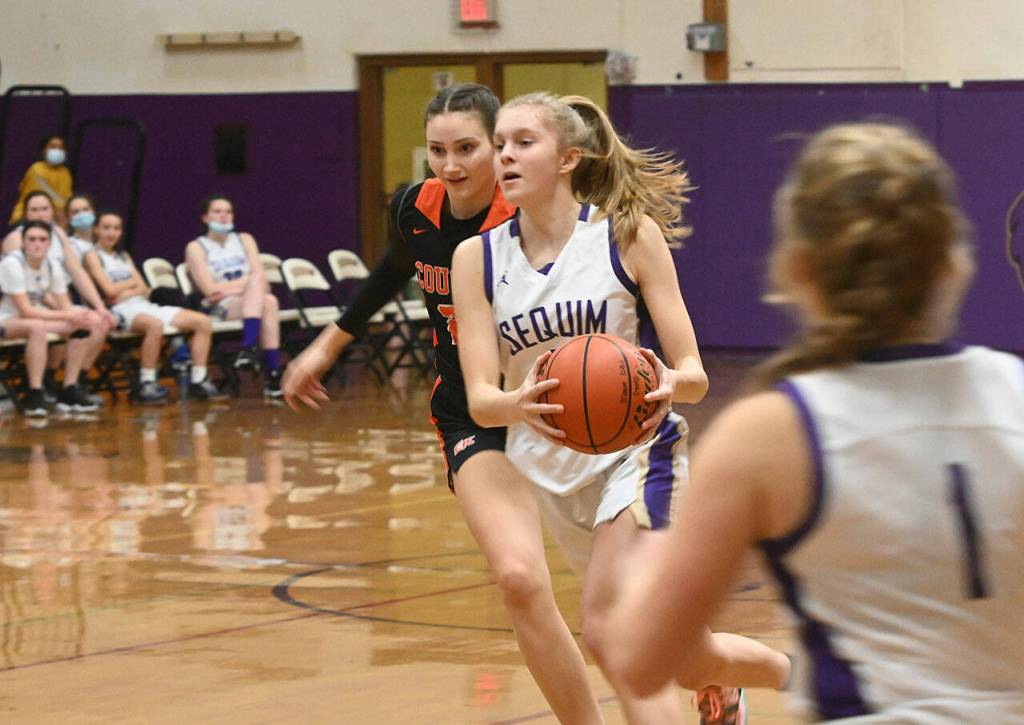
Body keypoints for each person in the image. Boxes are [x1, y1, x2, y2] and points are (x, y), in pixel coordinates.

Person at [598, 122, 1024, 722]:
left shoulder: (769, 433)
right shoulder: (1015, 393)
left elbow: (642, 662)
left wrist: (643, 569)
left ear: (796, 269)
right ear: (954, 261)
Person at [451, 92, 791, 723]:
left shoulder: (626, 235)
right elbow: (480, 398)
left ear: (569, 158)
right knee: (683, 658)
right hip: (546, 465)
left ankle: (781, 677)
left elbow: (693, 374)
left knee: (611, 636)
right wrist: (517, 404)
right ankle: (768, 672)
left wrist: (667, 380)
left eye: (524, 142)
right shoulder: (476, 257)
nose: (505, 155)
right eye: (500, 143)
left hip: (636, 454)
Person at [283, 84, 614, 724]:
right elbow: (390, 270)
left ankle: (711, 669)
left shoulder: (531, 217)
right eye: (437, 151)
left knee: (624, 611)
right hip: (475, 411)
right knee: (519, 579)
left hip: (565, 408)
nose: (451, 165)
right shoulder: (417, 208)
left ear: (499, 148)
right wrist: (328, 346)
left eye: (468, 148)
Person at [85, 210, 225, 402]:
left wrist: (126, 289)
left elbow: (143, 288)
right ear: (96, 230)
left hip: (143, 304)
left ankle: (199, 379)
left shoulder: (123, 256)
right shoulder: (92, 255)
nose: (112, 233)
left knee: (202, 322)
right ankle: (147, 383)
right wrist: (129, 285)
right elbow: (108, 291)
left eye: (116, 228)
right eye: (106, 228)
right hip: (118, 311)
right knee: (154, 325)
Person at [3, 190, 116, 405]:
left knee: (90, 321)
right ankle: (38, 386)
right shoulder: (15, 247)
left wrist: (96, 309)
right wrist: (64, 314)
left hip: (41, 309)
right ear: (25, 214)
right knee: (41, 325)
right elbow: (28, 303)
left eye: (44, 208)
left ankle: (72, 385)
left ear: (52, 212)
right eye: (34, 209)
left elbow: (76, 273)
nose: (39, 213)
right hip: (15, 313)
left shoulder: (55, 248)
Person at [184, 195, 282, 397]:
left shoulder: (245, 239)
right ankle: (270, 371)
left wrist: (230, 287)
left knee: (269, 299)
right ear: (205, 217)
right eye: (217, 212)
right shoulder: (196, 247)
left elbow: (262, 281)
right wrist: (246, 285)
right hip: (219, 308)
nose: (224, 216)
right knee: (261, 293)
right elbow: (210, 291)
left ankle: (255, 355)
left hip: (247, 301)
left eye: (228, 212)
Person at [9, 135, 73, 226]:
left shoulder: (65, 172)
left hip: (57, 220)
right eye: (53, 147)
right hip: (28, 218)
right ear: (44, 150)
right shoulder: (37, 169)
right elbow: (38, 198)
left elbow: (66, 198)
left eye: (61, 148)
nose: (57, 151)